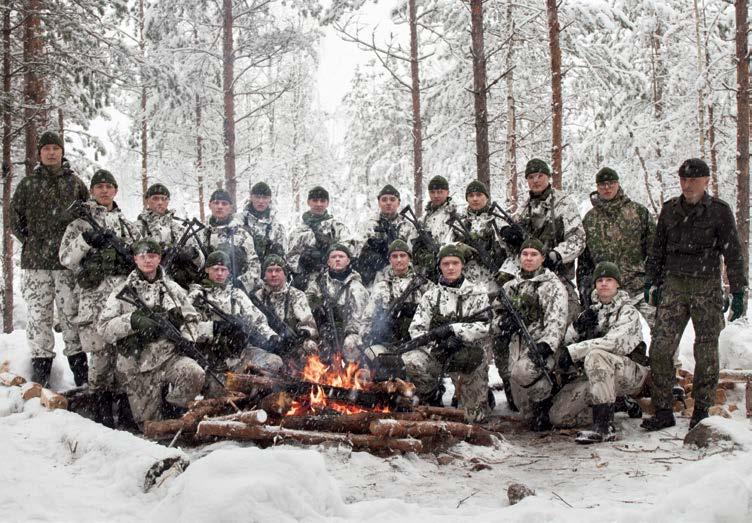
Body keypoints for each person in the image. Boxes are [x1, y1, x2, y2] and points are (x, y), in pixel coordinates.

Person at [642, 158, 747, 431]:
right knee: (661, 348)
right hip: (674, 286)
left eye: (694, 180)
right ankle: (663, 409)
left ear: (706, 181)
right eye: (684, 180)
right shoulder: (669, 211)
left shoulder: (719, 212)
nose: (688, 185)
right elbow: (657, 251)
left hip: (706, 286)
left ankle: (701, 410)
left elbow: (733, 255)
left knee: (707, 351)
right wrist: (650, 282)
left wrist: (738, 291)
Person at [59, 169, 141, 426]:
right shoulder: (79, 223)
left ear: (115, 190)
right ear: (92, 191)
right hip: (93, 298)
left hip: (122, 299)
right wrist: (86, 239)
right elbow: (65, 258)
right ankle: (101, 416)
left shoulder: (127, 224)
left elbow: (141, 257)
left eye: (109, 186)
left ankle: (125, 415)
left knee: (125, 357)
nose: (104, 191)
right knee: (100, 358)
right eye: (99, 186)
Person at [10, 130, 89, 387]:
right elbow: (15, 220)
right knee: (38, 319)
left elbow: (87, 221)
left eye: (56, 148)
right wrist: (34, 242)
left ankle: (82, 381)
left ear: (62, 152)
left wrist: (70, 249)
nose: (52, 152)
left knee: (71, 318)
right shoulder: (28, 184)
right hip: (36, 266)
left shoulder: (75, 184)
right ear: (40, 153)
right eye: (46, 149)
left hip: (67, 266)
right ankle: (41, 382)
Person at [97, 239, 205, 426]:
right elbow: (104, 329)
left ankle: (172, 408)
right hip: (138, 364)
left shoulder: (173, 289)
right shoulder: (122, 291)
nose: (147, 260)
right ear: (135, 259)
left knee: (195, 373)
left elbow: (192, 319)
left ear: (159, 259)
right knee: (148, 426)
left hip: (169, 357)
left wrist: (186, 337)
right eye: (142, 256)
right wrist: (132, 321)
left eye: (152, 256)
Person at [550, 262, 649, 443]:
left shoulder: (628, 312)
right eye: (600, 280)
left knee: (596, 355)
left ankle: (604, 426)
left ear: (617, 284)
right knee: (558, 417)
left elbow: (614, 343)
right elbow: (566, 342)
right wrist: (578, 327)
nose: (604, 284)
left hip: (629, 373)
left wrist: (573, 352)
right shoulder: (592, 311)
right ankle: (616, 404)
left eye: (609, 280)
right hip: (595, 376)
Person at [407, 243, 491, 422]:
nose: (450, 267)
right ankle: (431, 394)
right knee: (411, 361)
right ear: (440, 266)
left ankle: (477, 398)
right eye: (446, 263)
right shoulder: (431, 296)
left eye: (455, 263)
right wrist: (437, 346)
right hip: (439, 353)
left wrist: (455, 331)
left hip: (469, 356)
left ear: (462, 265)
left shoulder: (478, 293)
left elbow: (485, 326)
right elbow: (416, 329)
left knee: (472, 419)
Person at [188, 251, 284, 396]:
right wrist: (215, 328)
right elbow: (188, 329)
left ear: (229, 272)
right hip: (212, 360)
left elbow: (257, 320)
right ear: (207, 269)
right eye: (215, 269)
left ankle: (252, 397)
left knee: (274, 362)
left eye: (224, 269)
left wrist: (272, 336)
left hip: (241, 354)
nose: (220, 273)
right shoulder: (197, 296)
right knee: (220, 393)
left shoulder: (237, 294)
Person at [496, 238, 568, 430]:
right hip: (516, 346)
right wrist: (503, 324)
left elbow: (557, 321)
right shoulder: (510, 287)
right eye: (525, 254)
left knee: (524, 372)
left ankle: (547, 399)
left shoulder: (553, 286)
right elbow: (495, 317)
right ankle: (535, 407)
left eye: (534, 254)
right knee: (522, 410)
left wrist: (546, 345)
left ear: (543, 258)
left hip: (542, 347)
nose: (528, 258)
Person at [503, 159, 585, 323]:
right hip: (528, 279)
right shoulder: (524, 208)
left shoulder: (564, 204)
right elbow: (513, 250)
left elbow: (577, 239)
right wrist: (508, 236)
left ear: (548, 177)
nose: (536, 180)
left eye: (540, 175)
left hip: (558, 277)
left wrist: (556, 256)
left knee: (566, 324)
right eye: (531, 177)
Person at [578, 167, 656, 323]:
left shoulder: (638, 212)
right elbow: (584, 261)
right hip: (604, 293)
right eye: (602, 185)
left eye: (611, 183)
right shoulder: (590, 219)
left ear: (618, 184)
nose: (607, 188)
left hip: (638, 289)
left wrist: (652, 281)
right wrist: (584, 290)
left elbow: (654, 250)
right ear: (597, 187)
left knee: (660, 332)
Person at [305, 243, 369, 363]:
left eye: (341, 256)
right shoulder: (317, 284)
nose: (337, 259)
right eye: (333, 257)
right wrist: (316, 308)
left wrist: (346, 333)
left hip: (347, 333)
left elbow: (360, 320)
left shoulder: (356, 288)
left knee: (351, 344)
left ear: (348, 261)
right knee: (309, 347)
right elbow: (305, 307)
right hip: (322, 332)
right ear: (328, 262)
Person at [365, 240, 432, 352]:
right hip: (387, 342)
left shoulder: (425, 285)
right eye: (395, 256)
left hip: (416, 343)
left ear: (409, 258)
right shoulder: (381, 286)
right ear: (390, 260)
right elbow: (368, 317)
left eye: (403, 255)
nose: (399, 260)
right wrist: (367, 336)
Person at [136, 182, 204, 288]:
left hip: (178, 286)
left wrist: (192, 253)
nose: (160, 202)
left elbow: (201, 261)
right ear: (147, 200)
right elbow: (133, 258)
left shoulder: (180, 229)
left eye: (164, 199)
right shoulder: (137, 228)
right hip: (147, 284)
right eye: (155, 198)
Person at [252, 255, 319, 360]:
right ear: (264, 274)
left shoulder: (296, 295)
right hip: (267, 343)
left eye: (278, 270)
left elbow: (307, 322)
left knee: (310, 346)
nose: (274, 274)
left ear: (285, 274)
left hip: (291, 343)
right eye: (270, 271)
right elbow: (255, 324)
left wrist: (304, 333)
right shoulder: (258, 297)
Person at [447, 180, 508, 294]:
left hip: (492, 281)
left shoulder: (497, 219)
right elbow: (446, 247)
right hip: (465, 282)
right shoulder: (459, 220)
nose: (475, 199)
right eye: (471, 195)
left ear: (486, 197)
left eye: (479, 195)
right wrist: (459, 247)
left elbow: (509, 250)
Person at [287, 186, 353, 290]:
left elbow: (349, 252)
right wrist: (302, 261)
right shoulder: (298, 232)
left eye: (322, 201)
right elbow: (289, 258)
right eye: (315, 200)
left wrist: (330, 248)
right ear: (308, 202)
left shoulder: (338, 228)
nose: (319, 204)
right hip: (306, 282)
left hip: (335, 283)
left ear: (327, 203)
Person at [199, 189, 261, 292]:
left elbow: (254, 267)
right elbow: (196, 266)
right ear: (210, 205)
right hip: (206, 292)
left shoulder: (242, 235)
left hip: (236, 292)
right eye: (216, 203)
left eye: (224, 203)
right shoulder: (200, 234)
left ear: (230, 207)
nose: (220, 206)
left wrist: (241, 284)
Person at [357, 184, 418, 286]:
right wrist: (371, 257)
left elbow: (413, 255)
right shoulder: (369, 226)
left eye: (392, 199)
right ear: (379, 203)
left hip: (402, 279)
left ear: (398, 203)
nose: (388, 203)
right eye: (384, 200)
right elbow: (357, 251)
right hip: (373, 279)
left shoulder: (408, 227)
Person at [413, 175, 456, 279]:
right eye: (432, 192)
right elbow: (414, 246)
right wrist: (422, 256)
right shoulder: (423, 219)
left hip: (448, 268)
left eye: (440, 192)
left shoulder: (455, 215)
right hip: (427, 271)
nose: (436, 195)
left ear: (447, 192)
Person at [240, 181, 286, 264]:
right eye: (257, 197)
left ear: (270, 199)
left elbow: (283, 260)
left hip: (269, 274)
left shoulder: (277, 228)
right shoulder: (239, 223)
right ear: (251, 198)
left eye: (265, 197)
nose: (261, 201)